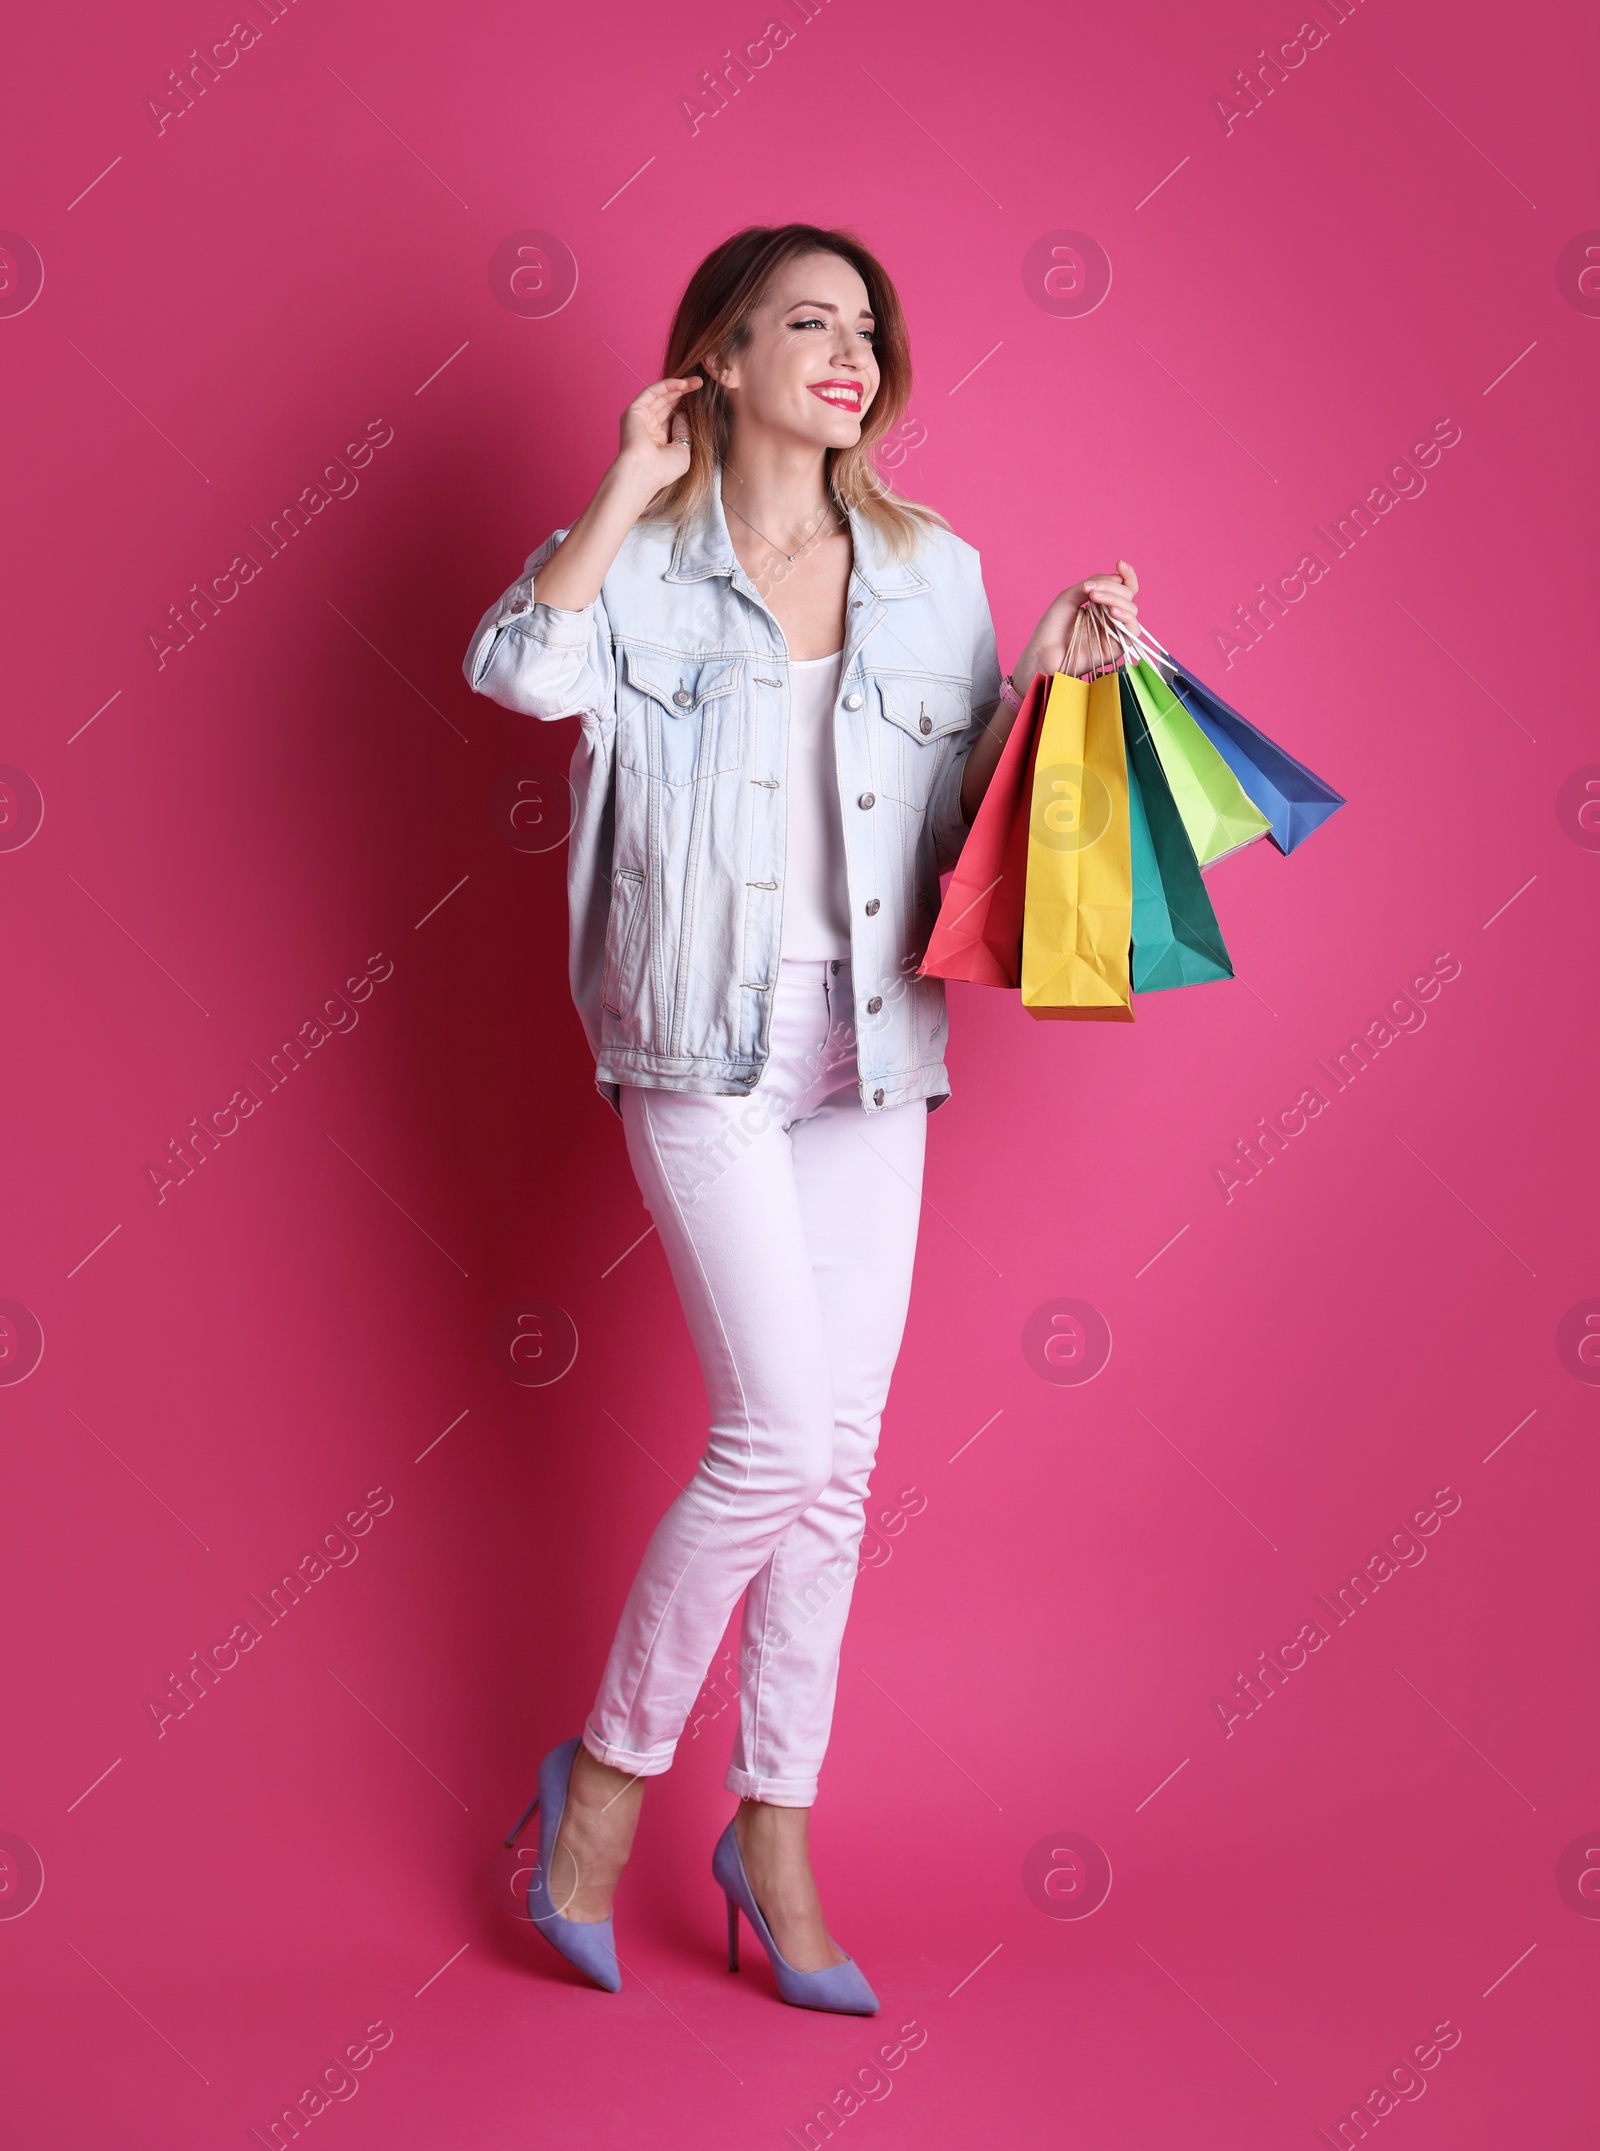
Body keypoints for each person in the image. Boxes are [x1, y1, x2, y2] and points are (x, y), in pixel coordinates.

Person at [464, 222, 1139, 2013]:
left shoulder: (933, 569)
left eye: (866, 327)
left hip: (877, 1055)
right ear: (722, 356)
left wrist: (1057, 671)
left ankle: (775, 1831)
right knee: (771, 1439)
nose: (849, 352)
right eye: (806, 323)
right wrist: (624, 483)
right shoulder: (643, 567)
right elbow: (521, 672)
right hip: (699, 1048)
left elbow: (971, 801)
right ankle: (600, 1786)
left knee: (837, 1469)